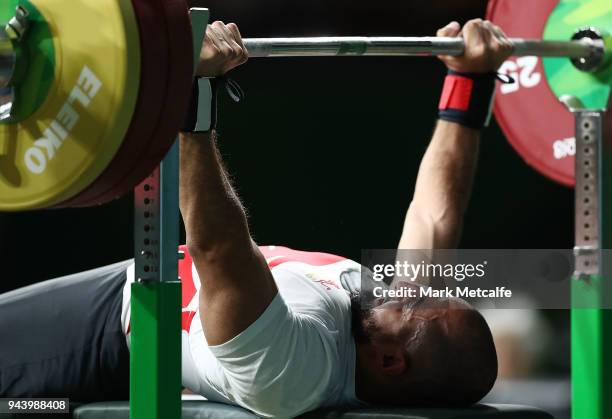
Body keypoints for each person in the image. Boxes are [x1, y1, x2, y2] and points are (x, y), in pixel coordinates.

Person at [0, 19, 510, 418]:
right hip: (129, 291)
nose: (406, 285)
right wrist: (469, 83)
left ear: (391, 363)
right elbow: (435, 216)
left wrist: (191, 98)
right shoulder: (384, 322)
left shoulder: (295, 369)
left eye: (414, 300)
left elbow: (218, 247)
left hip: (102, 340)